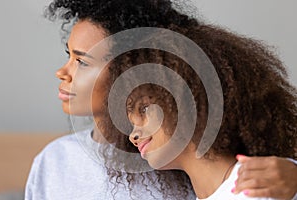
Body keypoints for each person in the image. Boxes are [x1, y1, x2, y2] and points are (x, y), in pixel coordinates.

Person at [25, 0, 297, 199]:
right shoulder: (53, 163)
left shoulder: (175, 151)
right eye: (69, 55)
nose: (62, 72)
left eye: (82, 62)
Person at [125, 21, 297, 199]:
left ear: (188, 98)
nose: (132, 136)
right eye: (131, 123)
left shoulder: (255, 190)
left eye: (144, 109)